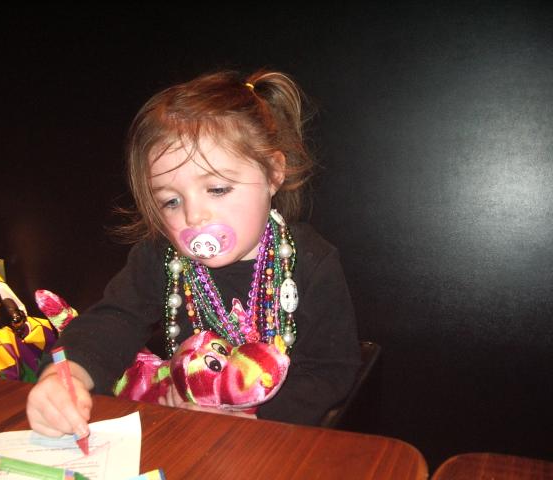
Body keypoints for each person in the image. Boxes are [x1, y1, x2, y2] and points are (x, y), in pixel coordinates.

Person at [26, 69, 361, 440]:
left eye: (217, 189)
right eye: (171, 201)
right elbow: (112, 321)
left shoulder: (310, 262)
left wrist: (255, 418)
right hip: (185, 432)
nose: (194, 216)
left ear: (273, 174)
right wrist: (66, 376)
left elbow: (330, 371)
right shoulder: (162, 256)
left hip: (270, 441)